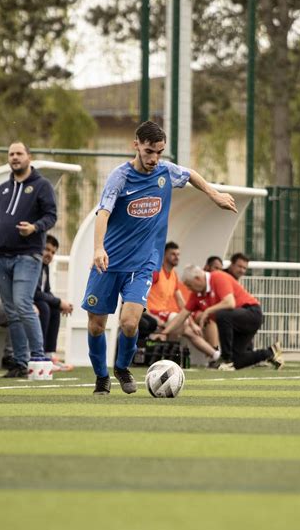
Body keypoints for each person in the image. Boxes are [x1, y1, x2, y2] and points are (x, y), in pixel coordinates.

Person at [81, 120, 237, 395]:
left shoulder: (166, 172)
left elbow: (190, 174)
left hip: (141, 264)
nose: (154, 158)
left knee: (130, 323)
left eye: (159, 152)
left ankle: (121, 368)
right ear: (136, 145)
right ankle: (101, 376)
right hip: (107, 263)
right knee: (96, 326)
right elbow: (103, 213)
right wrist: (98, 248)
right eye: (149, 151)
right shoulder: (120, 177)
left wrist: (214, 195)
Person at [0, 141, 57, 378]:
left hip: (27, 256)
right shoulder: (2, 189)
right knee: (11, 310)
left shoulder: (41, 186)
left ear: (29, 157)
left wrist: (34, 227)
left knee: (23, 304)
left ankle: (40, 357)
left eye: (19, 153)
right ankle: (20, 363)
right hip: (0, 258)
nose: (14, 157)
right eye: (11, 154)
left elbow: (51, 215)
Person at [160, 265, 284, 371]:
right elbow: (182, 315)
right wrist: (164, 332)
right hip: (238, 321)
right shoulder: (196, 295)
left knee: (222, 314)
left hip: (252, 313)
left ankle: (226, 358)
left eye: (189, 285)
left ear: (197, 279)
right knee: (238, 361)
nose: (188, 289)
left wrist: (207, 311)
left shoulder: (217, 277)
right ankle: (271, 352)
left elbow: (230, 303)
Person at [147, 241, 221, 363]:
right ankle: (214, 356)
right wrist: (149, 315)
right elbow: (143, 294)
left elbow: (182, 304)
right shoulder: (156, 272)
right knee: (181, 323)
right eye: (173, 254)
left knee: (189, 329)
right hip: (154, 313)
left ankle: (215, 356)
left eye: (178, 254)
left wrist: (193, 324)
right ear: (164, 254)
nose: (177, 257)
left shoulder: (174, 275)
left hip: (166, 315)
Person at [34, 234, 73, 370]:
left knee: (54, 309)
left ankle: (49, 354)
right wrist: (58, 302)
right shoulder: (34, 264)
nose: (49, 254)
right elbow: (35, 292)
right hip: (28, 301)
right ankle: (39, 353)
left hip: (37, 300)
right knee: (45, 307)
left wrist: (59, 304)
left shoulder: (45, 267)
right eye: (47, 249)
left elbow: (47, 291)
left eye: (52, 252)